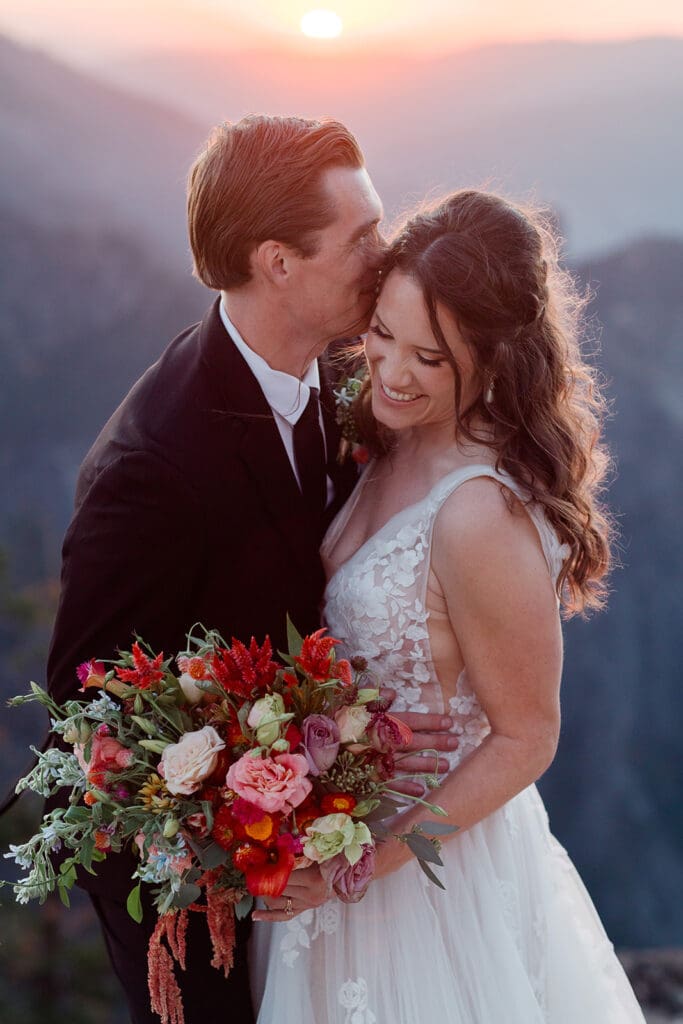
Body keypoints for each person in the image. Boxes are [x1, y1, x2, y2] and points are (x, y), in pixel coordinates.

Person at [43, 116, 458, 1024]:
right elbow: (90, 729)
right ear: (277, 261)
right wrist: (197, 949)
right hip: (213, 913)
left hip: (334, 868)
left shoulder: (354, 366)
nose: (386, 258)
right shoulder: (151, 469)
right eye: (361, 238)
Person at [249, 190, 646, 1022]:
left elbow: (527, 737)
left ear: (493, 359)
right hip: (333, 841)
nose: (392, 373)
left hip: (425, 881)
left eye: (430, 359)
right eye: (384, 335)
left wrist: (366, 863)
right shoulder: (382, 432)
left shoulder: (479, 513)